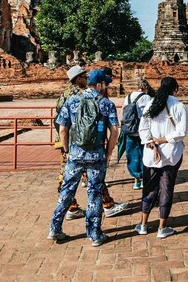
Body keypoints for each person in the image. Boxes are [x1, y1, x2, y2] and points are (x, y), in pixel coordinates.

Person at [48, 69, 119, 246]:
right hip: (96, 156)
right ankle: (94, 235)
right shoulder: (105, 103)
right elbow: (115, 131)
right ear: (99, 85)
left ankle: (55, 229)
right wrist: (108, 152)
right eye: (105, 84)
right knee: (94, 193)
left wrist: (67, 150)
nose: (106, 87)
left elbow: (62, 129)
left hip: (75, 154)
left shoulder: (72, 101)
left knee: (67, 190)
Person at [56, 65, 128, 219]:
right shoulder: (88, 95)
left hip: (70, 144)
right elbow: (112, 128)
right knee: (94, 179)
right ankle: (105, 205)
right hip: (86, 145)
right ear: (78, 79)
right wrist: (108, 149)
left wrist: (66, 146)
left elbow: (61, 122)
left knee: (67, 180)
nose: (86, 77)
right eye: (83, 75)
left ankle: (68, 210)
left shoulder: (66, 94)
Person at [135, 76, 188, 239]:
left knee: (149, 188)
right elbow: (181, 132)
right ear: (175, 89)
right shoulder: (179, 106)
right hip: (171, 153)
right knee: (166, 189)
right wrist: (162, 140)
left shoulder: (150, 104)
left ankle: (143, 224)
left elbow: (142, 129)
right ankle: (162, 227)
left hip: (151, 153)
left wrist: (153, 144)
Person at [121, 77, 153, 189]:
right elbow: (149, 114)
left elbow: (123, 113)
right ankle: (144, 179)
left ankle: (136, 180)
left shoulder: (128, 97)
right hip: (142, 130)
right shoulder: (147, 97)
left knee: (132, 154)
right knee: (144, 153)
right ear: (145, 87)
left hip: (129, 129)